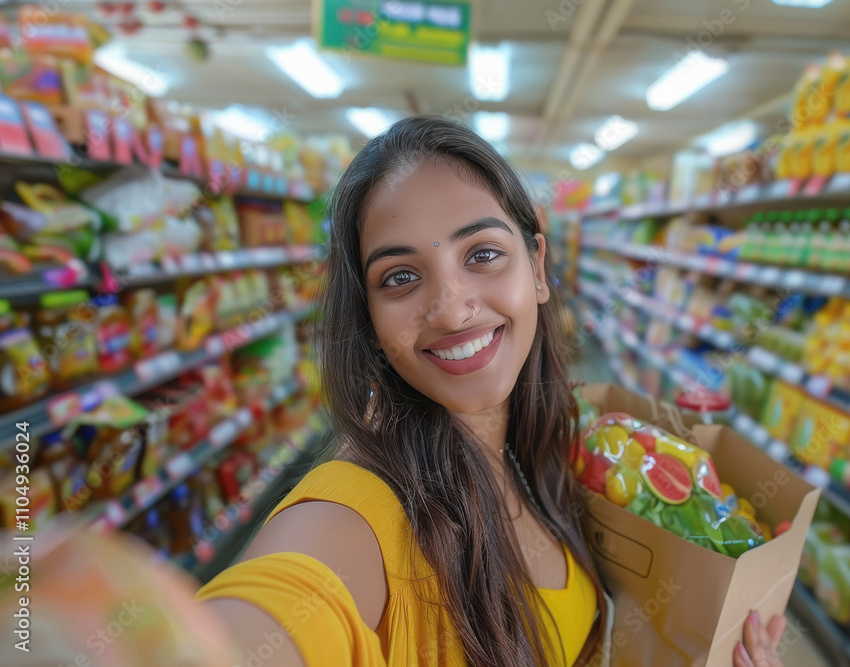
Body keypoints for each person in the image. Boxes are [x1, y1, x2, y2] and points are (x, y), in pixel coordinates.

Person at [0, 116, 785, 667]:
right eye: (401, 276)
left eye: (482, 253)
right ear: (371, 318)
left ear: (537, 266)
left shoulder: (550, 453)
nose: (450, 307)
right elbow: (277, 607)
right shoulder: (355, 514)